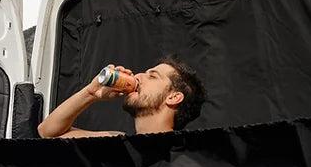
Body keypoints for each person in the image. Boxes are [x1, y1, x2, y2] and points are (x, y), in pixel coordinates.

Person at [37, 55, 205, 139]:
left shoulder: (184, 156)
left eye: (152, 76)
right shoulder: (117, 142)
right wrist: (90, 93)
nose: (138, 76)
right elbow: (47, 133)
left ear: (174, 97)